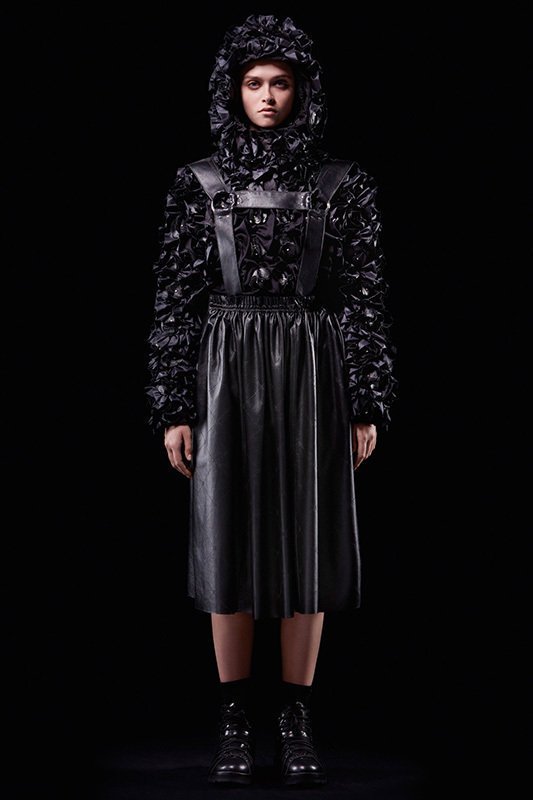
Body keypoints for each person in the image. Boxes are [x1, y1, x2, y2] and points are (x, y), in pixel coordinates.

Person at [146, 13, 398, 787]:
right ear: (232, 90)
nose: (265, 96)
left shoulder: (342, 184)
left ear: (301, 91)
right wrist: (174, 405)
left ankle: (294, 716)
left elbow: (363, 295)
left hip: (312, 367)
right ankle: (232, 718)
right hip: (224, 367)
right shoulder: (199, 183)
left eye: (279, 83)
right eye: (252, 82)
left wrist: (366, 398)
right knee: (224, 531)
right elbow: (175, 297)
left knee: (307, 536)